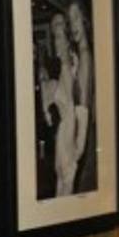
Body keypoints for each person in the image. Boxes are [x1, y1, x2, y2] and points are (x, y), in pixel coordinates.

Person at [41, 11, 88, 197]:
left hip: (68, 139)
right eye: (54, 36)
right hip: (62, 138)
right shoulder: (63, 67)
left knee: (66, 190)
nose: (56, 41)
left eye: (59, 36)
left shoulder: (71, 66)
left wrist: (78, 144)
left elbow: (77, 106)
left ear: (67, 39)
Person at [68, 0, 96, 193]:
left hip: (87, 137)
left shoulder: (85, 55)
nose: (73, 25)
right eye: (70, 20)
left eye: (76, 18)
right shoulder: (83, 55)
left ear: (85, 20)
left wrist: (78, 149)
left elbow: (84, 107)